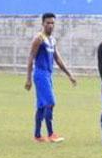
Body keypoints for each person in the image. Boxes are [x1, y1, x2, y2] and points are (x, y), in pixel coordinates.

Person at [24, 12, 77, 143]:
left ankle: (37, 135)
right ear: (43, 24)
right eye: (48, 23)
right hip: (40, 74)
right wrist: (28, 78)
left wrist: (69, 74)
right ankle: (51, 134)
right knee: (50, 102)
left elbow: (57, 59)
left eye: (52, 23)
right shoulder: (39, 39)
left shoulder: (52, 40)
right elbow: (31, 57)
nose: (50, 25)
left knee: (42, 106)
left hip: (48, 74)